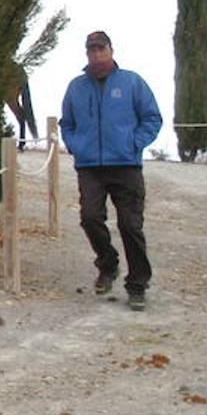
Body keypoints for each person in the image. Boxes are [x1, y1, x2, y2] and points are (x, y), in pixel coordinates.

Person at [59, 30, 163, 311]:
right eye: (91, 50)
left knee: (130, 225)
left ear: (111, 50)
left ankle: (138, 285)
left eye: (100, 49)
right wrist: (75, 145)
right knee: (90, 218)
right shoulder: (76, 87)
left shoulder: (132, 82)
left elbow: (152, 118)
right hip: (90, 166)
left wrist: (134, 144)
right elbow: (66, 123)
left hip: (126, 166)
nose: (96, 54)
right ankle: (108, 265)